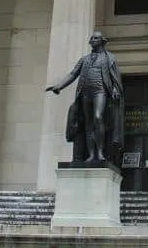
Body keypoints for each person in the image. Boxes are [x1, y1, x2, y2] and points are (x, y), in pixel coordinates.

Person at [45, 31, 124, 164]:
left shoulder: (109, 58)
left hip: (100, 91)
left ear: (102, 41)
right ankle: (92, 155)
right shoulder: (84, 59)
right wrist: (59, 86)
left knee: (98, 117)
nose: (92, 40)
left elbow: (115, 77)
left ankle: (100, 152)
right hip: (85, 93)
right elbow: (73, 74)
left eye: (96, 38)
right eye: (91, 38)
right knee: (88, 123)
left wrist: (116, 89)